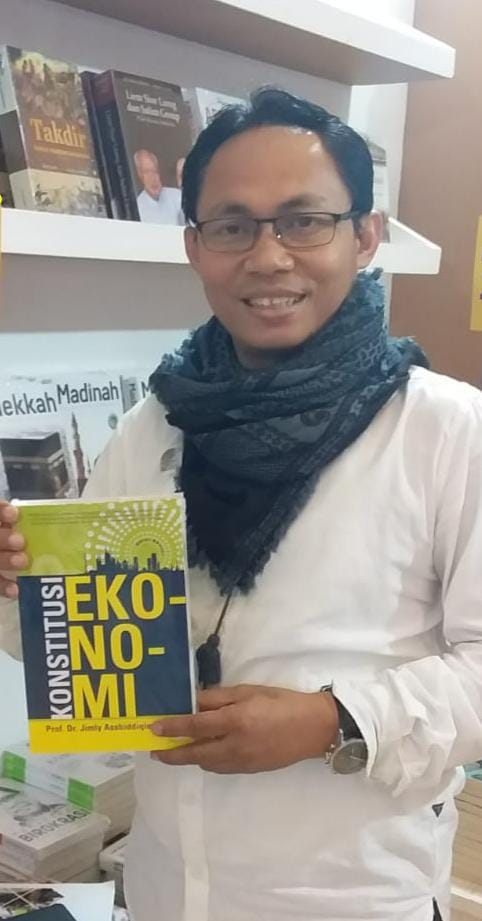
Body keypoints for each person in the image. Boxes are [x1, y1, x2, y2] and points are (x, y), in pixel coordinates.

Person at [1, 87, 481, 921]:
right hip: (165, 889)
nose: (268, 256)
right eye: (232, 226)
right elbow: (91, 652)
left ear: (366, 234)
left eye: (304, 221)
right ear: (194, 245)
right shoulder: (153, 425)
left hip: (355, 902)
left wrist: (332, 720)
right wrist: (15, 585)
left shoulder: (447, 430)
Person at [133, 148, 184, 225]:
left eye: (154, 172)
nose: (153, 178)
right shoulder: (137, 209)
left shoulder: (177, 196)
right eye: (147, 172)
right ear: (140, 175)